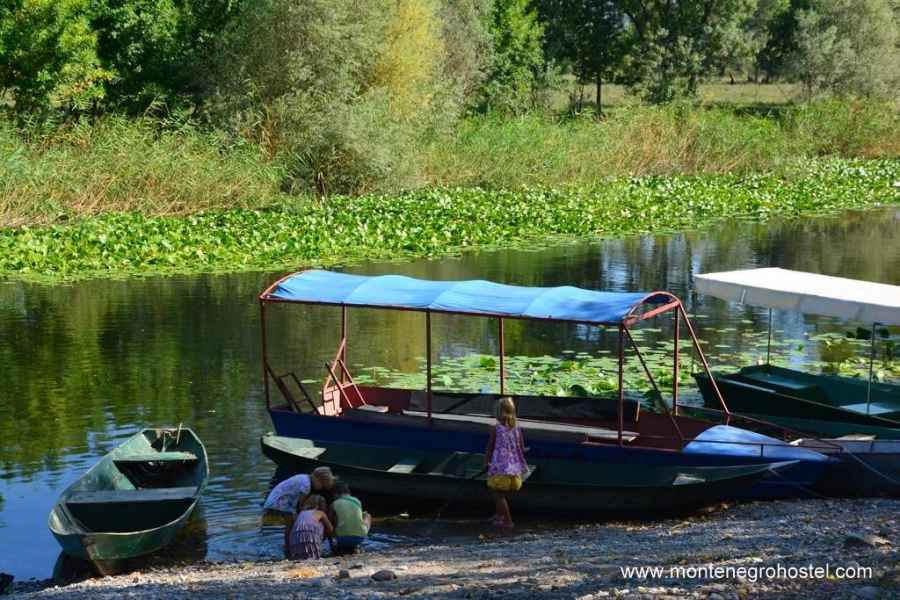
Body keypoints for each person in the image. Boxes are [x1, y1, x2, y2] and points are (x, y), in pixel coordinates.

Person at [484, 396, 527, 529]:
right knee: (495, 491)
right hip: (514, 469)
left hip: (500, 468)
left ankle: (508, 521)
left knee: (498, 493)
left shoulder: (496, 429)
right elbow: (522, 447)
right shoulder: (517, 429)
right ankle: (499, 515)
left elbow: (490, 447)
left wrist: (486, 461)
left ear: (498, 413)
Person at [262, 466, 335, 527]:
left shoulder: (303, 477)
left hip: (273, 501)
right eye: (322, 486)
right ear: (318, 480)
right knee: (292, 524)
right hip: (278, 505)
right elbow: (300, 506)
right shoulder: (306, 486)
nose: (321, 488)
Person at [286, 494, 334, 560]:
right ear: (319, 505)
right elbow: (330, 529)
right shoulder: (321, 513)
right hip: (312, 541)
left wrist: (287, 546)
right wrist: (323, 538)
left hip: (295, 543)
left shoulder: (299, 514)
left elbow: (287, 532)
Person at [329, 482, 371, 554]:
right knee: (367, 515)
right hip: (359, 538)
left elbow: (329, 522)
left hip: (341, 539)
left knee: (332, 520)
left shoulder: (333, 504)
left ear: (335, 494)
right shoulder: (357, 501)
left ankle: (334, 547)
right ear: (348, 492)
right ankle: (356, 546)